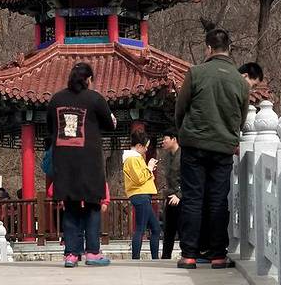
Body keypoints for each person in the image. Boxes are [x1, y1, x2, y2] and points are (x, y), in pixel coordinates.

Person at [175, 27, 249, 270]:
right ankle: (218, 254)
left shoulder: (196, 73)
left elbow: (181, 108)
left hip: (194, 144)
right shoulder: (240, 81)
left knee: (193, 199)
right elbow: (241, 117)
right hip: (223, 147)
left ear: (208, 48)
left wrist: (184, 132)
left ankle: (189, 255)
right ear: (229, 48)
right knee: (218, 200)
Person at [47, 62, 116, 268]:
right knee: (93, 204)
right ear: (89, 79)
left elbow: (50, 127)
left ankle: (71, 254)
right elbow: (109, 124)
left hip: (64, 161)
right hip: (89, 161)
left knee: (70, 205)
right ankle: (92, 252)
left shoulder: (56, 99)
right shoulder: (95, 99)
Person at [123, 129, 161, 260]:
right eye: (145, 146)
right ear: (139, 145)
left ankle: (153, 258)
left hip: (142, 195)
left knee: (155, 228)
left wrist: (149, 170)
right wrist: (149, 168)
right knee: (141, 228)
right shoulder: (132, 159)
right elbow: (139, 179)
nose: (146, 149)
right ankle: (136, 258)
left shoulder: (134, 158)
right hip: (140, 195)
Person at [160, 128, 181, 260]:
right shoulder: (167, 156)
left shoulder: (183, 155)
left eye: (165, 139)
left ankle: (188, 254)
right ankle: (166, 256)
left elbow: (188, 177)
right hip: (169, 196)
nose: (163, 142)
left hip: (181, 197)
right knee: (168, 229)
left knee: (183, 228)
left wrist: (179, 194)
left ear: (174, 139)